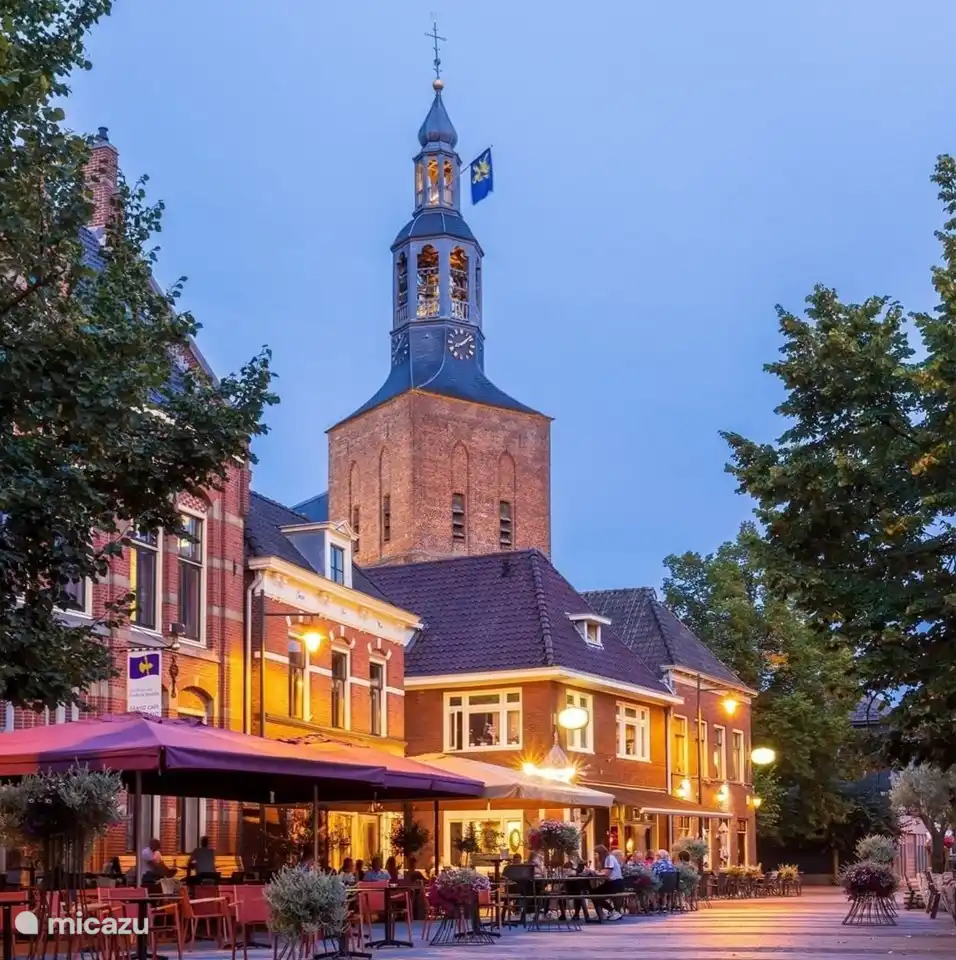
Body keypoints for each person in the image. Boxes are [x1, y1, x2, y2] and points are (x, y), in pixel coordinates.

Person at [592, 844, 624, 921]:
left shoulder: (609, 858)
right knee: (593, 893)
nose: (595, 856)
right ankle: (601, 914)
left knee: (594, 895)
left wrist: (595, 873)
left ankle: (613, 912)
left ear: (600, 853)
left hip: (616, 883)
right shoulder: (606, 860)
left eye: (596, 854)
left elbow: (607, 873)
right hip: (611, 883)